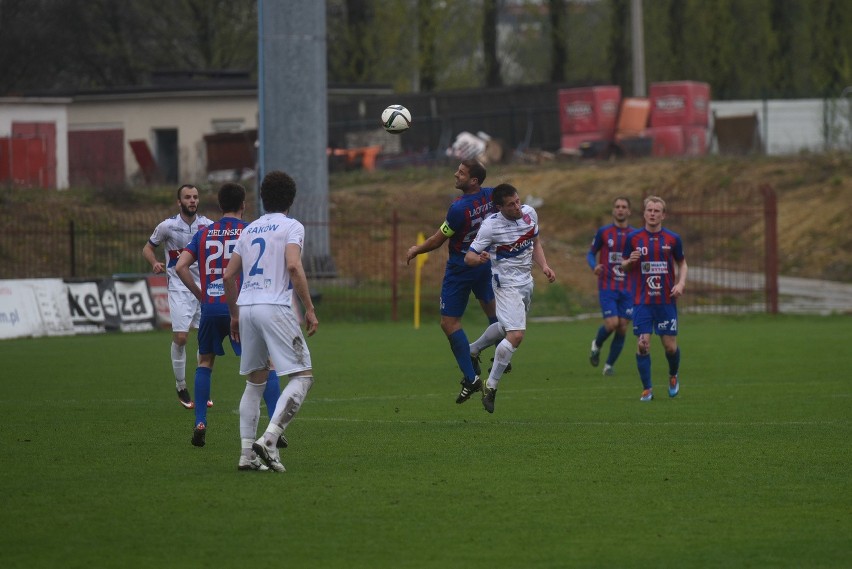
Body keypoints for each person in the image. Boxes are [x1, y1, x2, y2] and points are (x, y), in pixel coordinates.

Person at [223, 170, 318, 473]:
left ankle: (245, 454)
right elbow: (293, 264)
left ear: (262, 198)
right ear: (291, 199)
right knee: (303, 376)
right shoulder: (292, 226)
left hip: (247, 307)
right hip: (274, 306)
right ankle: (271, 438)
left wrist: (235, 314)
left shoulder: (248, 230)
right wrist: (310, 309)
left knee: (255, 381)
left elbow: (228, 275)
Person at [175, 182, 283, 448]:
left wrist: (201, 294)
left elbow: (180, 266)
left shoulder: (204, 233)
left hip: (211, 307)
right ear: (244, 205)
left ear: (220, 206)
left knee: (205, 362)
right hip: (242, 308)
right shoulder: (250, 231)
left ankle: (200, 421)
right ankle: (275, 427)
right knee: (266, 365)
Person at [405, 159, 503, 405]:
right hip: (484, 265)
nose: (455, 174)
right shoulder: (492, 196)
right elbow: (511, 200)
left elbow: (438, 240)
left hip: (461, 269)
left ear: (473, 181)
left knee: (449, 323)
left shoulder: (459, 208)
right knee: (495, 315)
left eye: (461, 173)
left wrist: (417, 249)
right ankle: (504, 359)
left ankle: (471, 379)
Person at [464, 183, 556, 413]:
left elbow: (535, 242)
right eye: (511, 205)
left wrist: (544, 265)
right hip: (505, 285)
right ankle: (491, 386)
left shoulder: (529, 214)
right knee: (516, 335)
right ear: (499, 207)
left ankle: (472, 350)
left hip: (526, 282)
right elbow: (469, 257)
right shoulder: (490, 226)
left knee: (506, 329)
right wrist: (480, 259)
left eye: (517, 201)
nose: (517, 207)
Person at [142, 184, 213, 409]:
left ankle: (202, 389)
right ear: (179, 202)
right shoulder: (168, 226)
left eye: (195, 197)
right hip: (180, 288)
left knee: (206, 341)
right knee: (181, 338)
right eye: (188, 197)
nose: (192, 200)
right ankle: (181, 386)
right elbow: (147, 248)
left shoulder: (208, 226)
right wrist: (154, 262)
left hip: (204, 289)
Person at [621, 195, 688, 402]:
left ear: (663, 215)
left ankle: (673, 375)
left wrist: (681, 284)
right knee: (642, 344)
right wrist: (629, 261)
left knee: (670, 346)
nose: (652, 214)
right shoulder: (633, 238)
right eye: (649, 210)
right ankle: (647, 389)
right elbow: (623, 265)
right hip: (642, 302)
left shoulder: (672, 239)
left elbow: (682, 264)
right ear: (644, 213)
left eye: (657, 211)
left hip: (666, 301)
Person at [586, 197, 636, 376]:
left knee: (623, 326)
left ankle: (608, 365)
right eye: (617, 206)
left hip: (629, 287)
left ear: (629, 211)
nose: (620, 210)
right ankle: (597, 344)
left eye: (624, 207)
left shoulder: (635, 235)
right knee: (612, 323)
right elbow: (591, 254)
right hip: (608, 285)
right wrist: (595, 266)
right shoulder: (604, 232)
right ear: (613, 210)